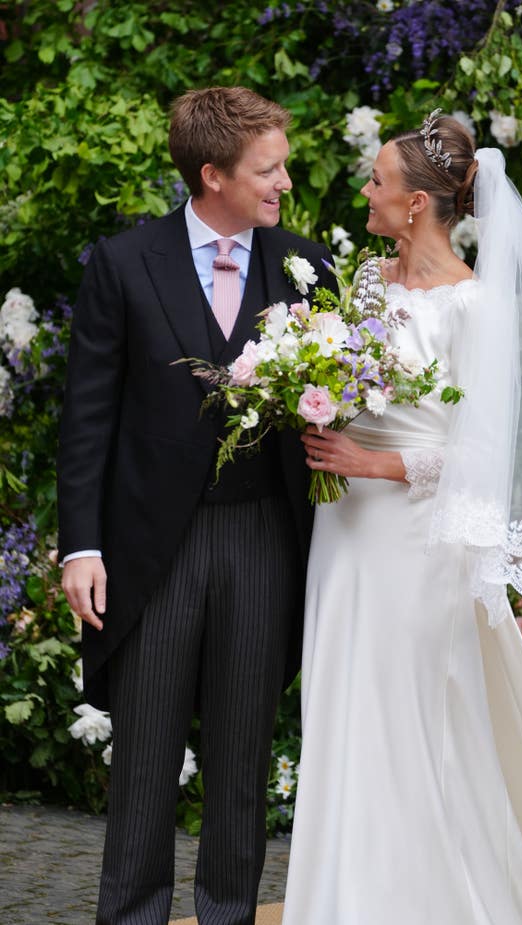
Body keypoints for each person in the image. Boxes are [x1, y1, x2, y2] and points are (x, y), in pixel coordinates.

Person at [282, 111, 522, 924]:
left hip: (419, 534)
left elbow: (485, 455)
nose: (366, 192)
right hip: (344, 533)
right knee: (342, 702)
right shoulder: (365, 284)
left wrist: (373, 462)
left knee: (408, 712)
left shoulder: (476, 306)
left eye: (378, 181)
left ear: (416, 204)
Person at [56, 86, 335, 925]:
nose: (285, 181)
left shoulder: (309, 265)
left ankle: (227, 916)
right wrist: (81, 546)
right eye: (269, 168)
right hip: (151, 548)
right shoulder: (122, 261)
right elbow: (88, 417)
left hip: (263, 538)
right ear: (211, 174)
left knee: (242, 761)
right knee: (143, 763)